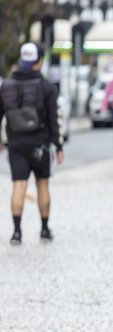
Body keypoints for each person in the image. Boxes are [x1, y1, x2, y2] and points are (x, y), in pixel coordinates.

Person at [0, 42, 64, 244]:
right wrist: (58, 145)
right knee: (42, 184)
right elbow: (54, 119)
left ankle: (17, 232)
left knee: (18, 185)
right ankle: (44, 229)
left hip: (16, 144)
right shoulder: (46, 87)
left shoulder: (6, 85)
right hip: (40, 144)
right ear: (40, 60)